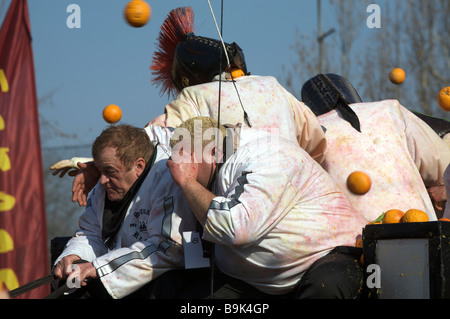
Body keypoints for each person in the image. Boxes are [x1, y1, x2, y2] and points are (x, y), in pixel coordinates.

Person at [158, 116, 368, 299]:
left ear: (213, 151)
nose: (179, 169)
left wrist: (188, 181)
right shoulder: (208, 171)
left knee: (325, 288)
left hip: (328, 259)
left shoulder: (266, 154)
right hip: (254, 284)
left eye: (186, 161)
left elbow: (237, 228)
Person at [53, 124, 198, 299]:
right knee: (70, 280)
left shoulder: (166, 180)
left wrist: (99, 267)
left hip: (166, 278)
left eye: (110, 172)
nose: (102, 180)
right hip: (113, 269)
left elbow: (167, 248)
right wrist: (74, 256)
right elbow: (90, 233)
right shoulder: (106, 182)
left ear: (139, 166)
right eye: (100, 171)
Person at [301, 73, 450, 221]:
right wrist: (441, 186)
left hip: (352, 239)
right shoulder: (389, 109)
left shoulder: (309, 136)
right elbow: (442, 164)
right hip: (418, 229)